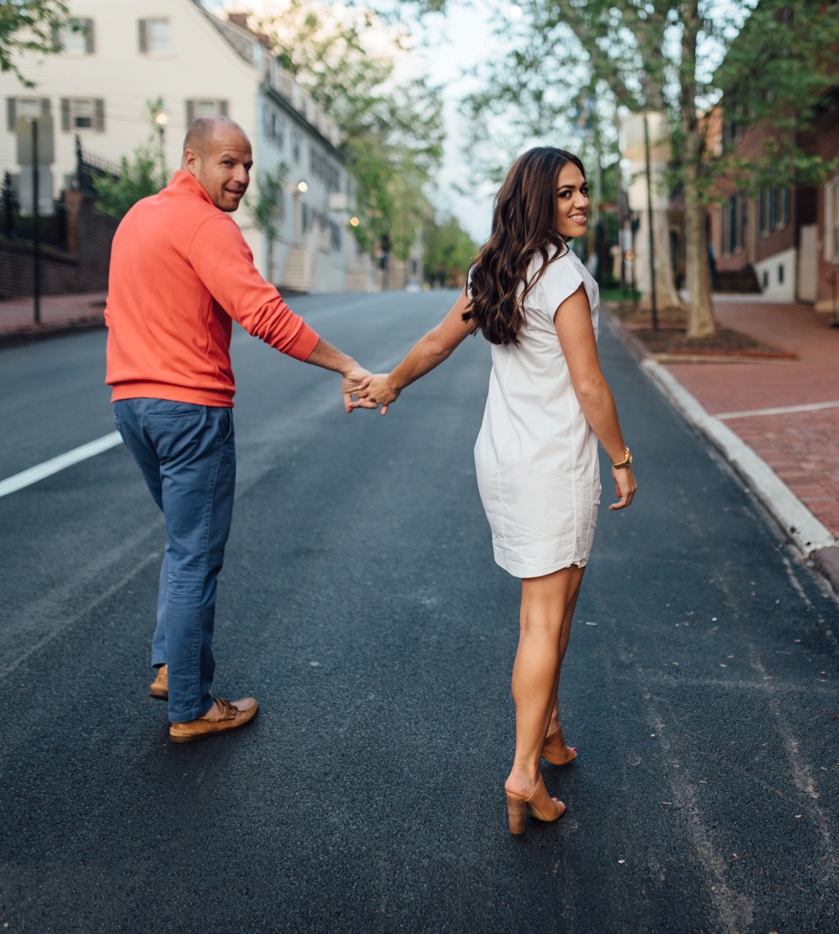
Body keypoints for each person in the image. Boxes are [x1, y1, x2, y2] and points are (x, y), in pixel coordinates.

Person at [354, 147, 636, 834]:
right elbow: (589, 383)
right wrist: (622, 457)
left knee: (547, 612)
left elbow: (436, 342)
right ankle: (522, 772)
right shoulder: (564, 276)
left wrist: (391, 381)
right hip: (551, 466)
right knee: (547, 618)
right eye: (565, 192)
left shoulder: (497, 269)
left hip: (504, 462)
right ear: (538, 199)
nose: (580, 202)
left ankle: (549, 732)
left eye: (584, 190)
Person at [106, 115, 373, 744]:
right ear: (191, 160)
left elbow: (117, 308)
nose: (242, 176)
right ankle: (192, 709)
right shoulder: (207, 226)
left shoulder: (137, 217)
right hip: (190, 409)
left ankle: (176, 667)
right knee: (196, 552)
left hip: (131, 404)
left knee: (182, 542)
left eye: (248, 164)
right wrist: (347, 365)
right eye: (228, 163)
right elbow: (264, 315)